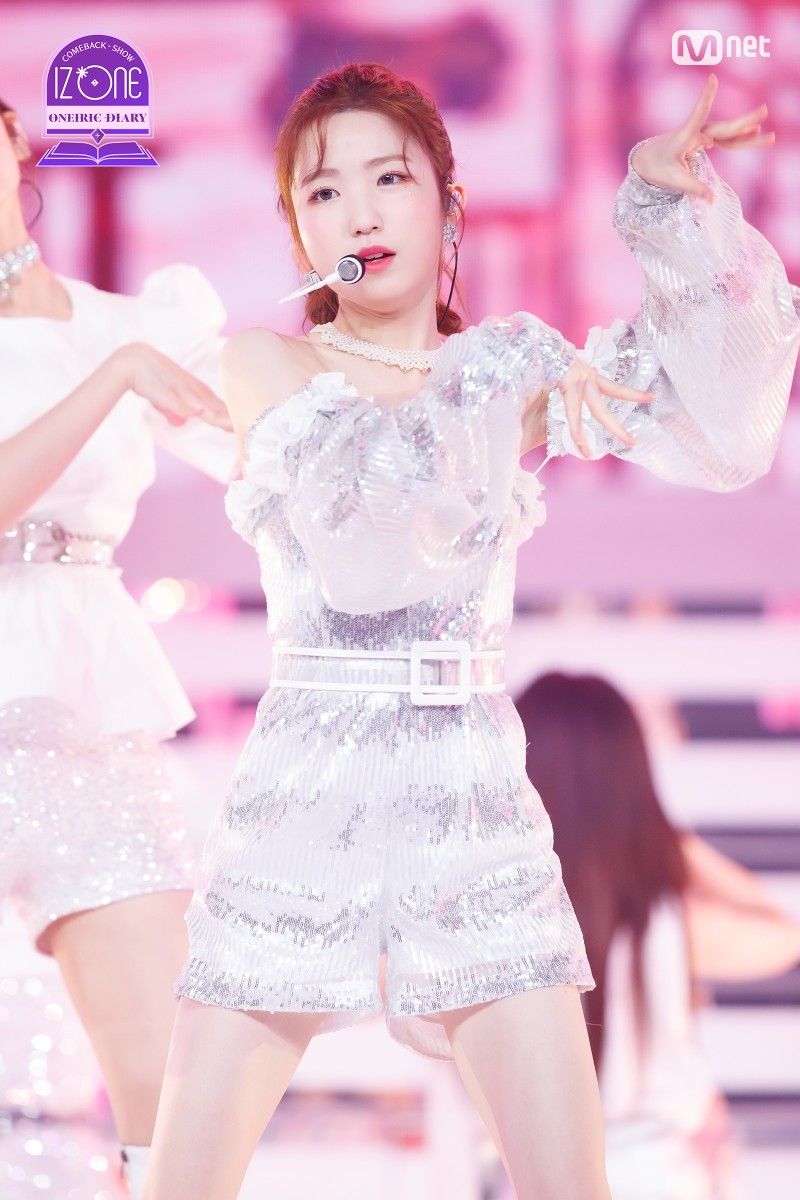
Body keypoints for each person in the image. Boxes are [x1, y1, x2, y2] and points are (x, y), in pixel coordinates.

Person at [143, 62, 800, 1200]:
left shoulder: (507, 367)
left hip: (472, 799)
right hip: (305, 797)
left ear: (448, 206)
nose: (359, 211)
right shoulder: (272, 366)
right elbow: (365, 557)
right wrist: (493, 394)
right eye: (323, 192)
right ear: (300, 233)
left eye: (389, 179)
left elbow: (724, 433)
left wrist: (665, 215)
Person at [0, 99, 238, 1198]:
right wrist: (113, 379)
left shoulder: (128, 325)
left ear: (15, 140)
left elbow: (266, 446)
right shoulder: (120, 355)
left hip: (80, 723)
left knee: (173, 1104)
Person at [514, 671, 800, 1200]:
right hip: (660, 1177)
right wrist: (670, 838)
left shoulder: (501, 930)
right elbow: (783, 935)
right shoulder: (657, 927)